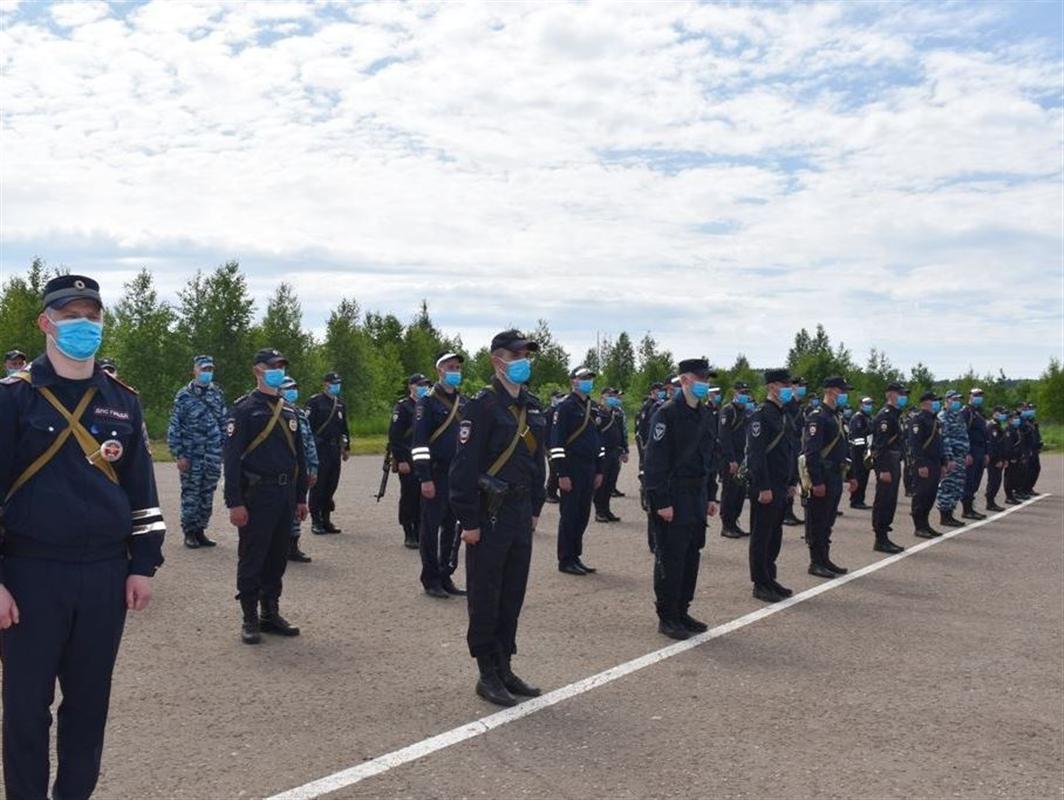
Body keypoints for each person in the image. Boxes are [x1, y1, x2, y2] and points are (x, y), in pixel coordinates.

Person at [0, 274, 165, 800]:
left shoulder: (122, 400)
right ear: (46, 323)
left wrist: (142, 563)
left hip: (103, 575)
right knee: (26, 709)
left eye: (91, 316)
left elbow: (142, 490)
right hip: (30, 575)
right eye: (70, 316)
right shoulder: (13, 400)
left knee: (89, 706)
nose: (83, 326)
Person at [449, 329, 546, 707]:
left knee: (512, 592)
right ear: (497, 360)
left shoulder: (533, 406)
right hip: (489, 516)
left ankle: (505, 664)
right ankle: (486, 672)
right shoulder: (481, 407)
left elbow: (537, 465)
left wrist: (536, 508)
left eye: (527, 354)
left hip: (521, 512)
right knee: (486, 593)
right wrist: (468, 521)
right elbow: (463, 469)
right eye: (517, 354)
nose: (524, 360)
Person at [223, 349, 309, 645]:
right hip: (257, 494)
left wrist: (301, 498)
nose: (278, 371)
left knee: (277, 558)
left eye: (281, 366)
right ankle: (249, 617)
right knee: (253, 557)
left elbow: (299, 458)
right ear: (257, 370)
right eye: (273, 366)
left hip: (285, 493)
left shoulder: (290, 410)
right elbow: (232, 459)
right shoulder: (244, 410)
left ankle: (270, 613)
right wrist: (234, 501)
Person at [643, 358, 719, 639]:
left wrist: (712, 495)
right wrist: (661, 501)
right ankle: (667, 616)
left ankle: (682, 610)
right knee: (671, 558)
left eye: (707, 379)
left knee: (691, 556)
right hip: (673, 495)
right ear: (685, 380)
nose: (705, 383)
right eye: (700, 378)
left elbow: (710, 457)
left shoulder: (705, 413)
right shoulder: (667, 414)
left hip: (697, 496)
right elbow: (655, 462)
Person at [413, 352, 468, 598]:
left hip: (458, 476)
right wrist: (425, 477)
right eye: (450, 367)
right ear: (439, 371)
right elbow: (419, 443)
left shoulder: (465, 403)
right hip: (435, 475)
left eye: (457, 367)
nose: (455, 370)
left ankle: (446, 575)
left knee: (452, 528)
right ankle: (431, 578)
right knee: (431, 528)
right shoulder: (427, 402)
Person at [746, 369, 797, 603]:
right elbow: (756, 455)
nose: (789, 388)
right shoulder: (761, 415)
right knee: (761, 535)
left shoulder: (783, 414)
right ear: (772, 387)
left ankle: (770, 577)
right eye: (785, 384)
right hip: (765, 485)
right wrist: (763, 486)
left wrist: (791, 481)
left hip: (780, 484)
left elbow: (789, 450)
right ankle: (760, 582)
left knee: (774, 534)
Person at [550, 366, 605, 575]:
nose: (587, 381)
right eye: (583, 378)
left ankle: (576, 555)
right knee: (570, 515)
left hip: (589, 467)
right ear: (573, 381)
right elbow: (556, 443)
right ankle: (565, 559)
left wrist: (599, 470)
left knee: (583, 514)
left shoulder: (593, 407)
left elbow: (598, 442)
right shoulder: (565, 408)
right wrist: (561, 474)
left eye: (590, 378)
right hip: (571, 467)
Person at [167, 354, 225, 549]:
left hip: (212, 454)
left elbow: (223, 422)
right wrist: (179, 454)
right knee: (191, 494)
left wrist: (224, 448)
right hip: (191, 454)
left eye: (210, 370)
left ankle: (201, 530)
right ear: (195, 370)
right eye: (204, 369)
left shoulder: (216, 393)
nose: (207, 373)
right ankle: (189, 532)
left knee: (207, 493)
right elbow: (175, 426)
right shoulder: (184, 395)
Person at [801, 376, 856, 578]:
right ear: (831, 391)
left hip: (835, 474)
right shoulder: (818, 417)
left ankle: (825, 559)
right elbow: (812, 452)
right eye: (842, 391)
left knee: (828, 520)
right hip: (822, 475)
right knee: (817, 520)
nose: (844, 394)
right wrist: (816, 481)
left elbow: (844, 448)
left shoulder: (836, 416)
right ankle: (816, 562)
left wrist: (851, 475)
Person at [306, 372, 351, 535]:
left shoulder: (340, 404)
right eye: (333, 383)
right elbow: (308, 428)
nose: (336, 386)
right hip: (320, 449)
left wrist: (346, 448)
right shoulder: (315, 402)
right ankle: (316, 520)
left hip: (334, 449)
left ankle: (326, 519)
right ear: (325, 384)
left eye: (338, 383)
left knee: (331, 484)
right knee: (318, 485)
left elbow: (344, 428)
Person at [389, 374, 430, 548]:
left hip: (425, 459)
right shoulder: (403, 407)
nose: (423, 387)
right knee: (409, 496)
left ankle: (421, 529)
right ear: (411, 386)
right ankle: (409, 531)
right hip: (407, 458)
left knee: (424, 497)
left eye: (425, 385)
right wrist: (400, 460)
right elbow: (395, 436)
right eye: (420, 385)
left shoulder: (428, 405)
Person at [281, 377, 318, 563]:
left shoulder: (299, 413)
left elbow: (309, 442)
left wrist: (313, 468)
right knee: (281, 510)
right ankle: (280, 547)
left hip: (300, 469)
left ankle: (293, 546)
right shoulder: (276, 412)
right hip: (283, 469)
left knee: (298, 507)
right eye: (288, 388)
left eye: (295, 388)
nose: (292, 391)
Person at [869, 382, 908, 554]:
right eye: (900, 393)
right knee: (884, 499)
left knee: (890, 499)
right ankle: (880, 537)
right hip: (887, 461)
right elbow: (880, 445)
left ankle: (884, 535)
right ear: (890, 395)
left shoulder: (895, 415)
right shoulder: (885, 416)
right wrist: (883, 469)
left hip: (894, 459)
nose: (903, 397)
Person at [636, 381, 669, 552]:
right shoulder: (655, 409)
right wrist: (643, 462)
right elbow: (643, 436)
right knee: (653, 503)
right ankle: (654, 542)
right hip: (653, 461)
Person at [909, 391, 948, 538]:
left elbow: (939, 444)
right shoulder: (918, 420)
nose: (937, 403)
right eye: (934, 400)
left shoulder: (935, 420)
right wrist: (920, 464)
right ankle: (919, 526)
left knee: (930, 495)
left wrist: (943, 462)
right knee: (921, 495)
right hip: (924, 463)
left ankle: (925, 524)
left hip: (935, 462)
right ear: (926, 402)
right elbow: (915, 444)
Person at [718, 381, 751, 538]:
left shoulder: (745, 411)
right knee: (730, 492)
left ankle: (734, 522)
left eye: (746, 392)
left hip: (742, 456)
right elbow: (724, 437)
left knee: (740, 492)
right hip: (730, 457)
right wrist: (731, 459)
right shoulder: (728, 410)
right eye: (742, 392)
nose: (744, 395)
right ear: (734, 393)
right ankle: (726, 525)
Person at [935, 390, 969, 528]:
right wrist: (949, 459)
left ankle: (950, 513)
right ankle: (945, 515)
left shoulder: (958, 416)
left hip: (960, 457)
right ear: (947, 400)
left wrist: (966, 453)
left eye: (958, 399)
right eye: (954, 399)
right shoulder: (943, 417)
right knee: (947, 487)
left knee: (957, 487)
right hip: (952, 458)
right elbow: (945, 439)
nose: (957, 401)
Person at [593, 387, 628, 523]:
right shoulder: (597, 414)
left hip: (615, 451)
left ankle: (606, 510)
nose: (613, 398)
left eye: (614, 395)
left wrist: (624, 449)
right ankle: (599, 511)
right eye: (609, 395)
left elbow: (621, 433)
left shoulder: (616, 414)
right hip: (603, 452)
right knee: (601, 483)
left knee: (610, 483)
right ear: (602, 397)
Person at [960, 388, 989, 520]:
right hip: (971, 450)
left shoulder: (979, 413)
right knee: (969, 481)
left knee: (976, 480)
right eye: (976, 395)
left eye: (980, 395)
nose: (979, 398)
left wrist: (986, 453)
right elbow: (962, 433)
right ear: (970, 396)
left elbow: (984, 434)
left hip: (980, 450)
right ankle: (967, 509)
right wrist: (967, 452)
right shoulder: (966, 412)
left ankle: (971, 507)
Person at [782, 376, 807, 526]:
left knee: (793, 479)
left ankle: (789, 510)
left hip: (796, 445)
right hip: (788, 445)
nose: (803, 388)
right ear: (792, 386)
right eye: (800, 385)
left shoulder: (798, 405)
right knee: (788, 477)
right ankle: (785, 512)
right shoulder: (787, 404)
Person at [848, 396, 874, 509]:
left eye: (870, 404)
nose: (869, 406)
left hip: (865, 452)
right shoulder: (858, 418)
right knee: (858, 476)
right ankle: (855, 500)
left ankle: (860, 499)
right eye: (867, 404)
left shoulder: (868, 418)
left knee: (864, 477)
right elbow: (857, 436)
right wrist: (863, 450)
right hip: (858, 453)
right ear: (861, 405)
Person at [984, 405, 1009, 512]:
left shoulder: (998, 425)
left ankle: (992, 501)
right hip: (995, 460)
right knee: (993, 481)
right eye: (1002, 413)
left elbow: (1001, 444)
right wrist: (996, 460)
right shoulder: (992, 426)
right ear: (995, 413)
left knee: (997, 481)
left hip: (1000, 459)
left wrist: (1004, 459)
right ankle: (990, 502)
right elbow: (992, 445)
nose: (1004, 415)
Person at [543, 391, 565, 503]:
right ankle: (549, 493)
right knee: (553, 470)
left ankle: (553, 492)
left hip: (557, 446)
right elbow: (544, 432)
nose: (561, 399)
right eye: (558, 397)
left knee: (558, 470)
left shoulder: (560, 411)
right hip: (549, 446)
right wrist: (546, 449)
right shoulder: (548, 412)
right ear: (552, 398)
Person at [1003, 409, 1027, 504]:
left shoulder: (1017, 430)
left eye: (1017, 418)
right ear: (1009, 420)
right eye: (1014, 418)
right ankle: (1009, 496)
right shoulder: (1008, 430)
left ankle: (1013, 494)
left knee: (1015, 477)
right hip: (1011, 458)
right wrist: (1011, 457)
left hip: (1018, 457)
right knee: (1009, 477)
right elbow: (1008, 446)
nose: (1017, 420)